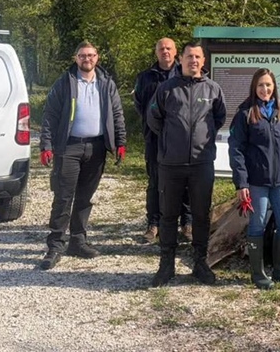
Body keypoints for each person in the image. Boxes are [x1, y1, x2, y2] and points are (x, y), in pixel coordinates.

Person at [39, 41, 126, 271]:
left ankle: (78, 240)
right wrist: (46, 145)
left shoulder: (106, 83)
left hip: (96, 148)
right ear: (76, 58)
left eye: (90, 55)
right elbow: (50, 115)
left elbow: (117, 113)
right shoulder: (65, 83)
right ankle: (55, 245)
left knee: (85, 197)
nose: (86, 59)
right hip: (69, 148)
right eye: (82, 56)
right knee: (63, 197)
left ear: (97, 57)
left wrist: (120, 142)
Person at [147, 41, 226, 286]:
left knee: (201, 216)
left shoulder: (213, 89)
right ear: (181, 59)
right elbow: (154, 118)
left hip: (202, 163)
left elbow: (219, 119)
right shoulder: (166, 89)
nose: (193, 61)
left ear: (203, 62)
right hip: (171, 164)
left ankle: (200, 264)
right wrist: (173, 142)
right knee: (168, 216)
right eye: (189, 56)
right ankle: (166, 265)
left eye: (197, 57)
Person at [228, 68, 280, 289]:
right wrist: (241, 182)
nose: (265, 89)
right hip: (256, 182)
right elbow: (236, 150)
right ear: (255, 87)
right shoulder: (245, 114)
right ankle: (258, 274)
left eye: (269, 85)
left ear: (274, 87)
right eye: (261, 85)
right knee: (257, 225)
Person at [133, 37, 192, 244]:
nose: (165, 51)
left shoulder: (185, 73)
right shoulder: (145, 78)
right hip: (154, 138)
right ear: (156, 52)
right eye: (161, 49)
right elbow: (141, 107)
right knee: (155, 182)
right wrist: (158, 126)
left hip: (182, 139)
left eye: (168, 48)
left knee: (185, 182)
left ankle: (187, 223)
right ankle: (153, 224)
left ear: (176, 52)